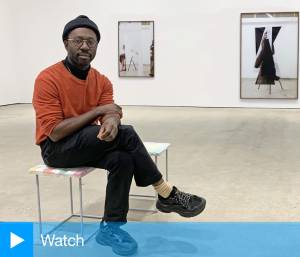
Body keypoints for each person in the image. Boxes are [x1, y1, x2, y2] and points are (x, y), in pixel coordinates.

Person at [32, 15, 206, 256]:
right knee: (128, 133)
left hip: (87, 143)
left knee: (122, 159)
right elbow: (55, 131)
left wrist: (111, 120)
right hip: (57, 149)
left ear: (96, 46)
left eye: (91, 42)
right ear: (65, 43)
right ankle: (166, 192)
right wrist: (100, 112)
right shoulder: (47, 78)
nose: (85, 46)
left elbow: (110, 111)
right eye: (78, 40)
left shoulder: (101, 81)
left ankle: (110, 228)